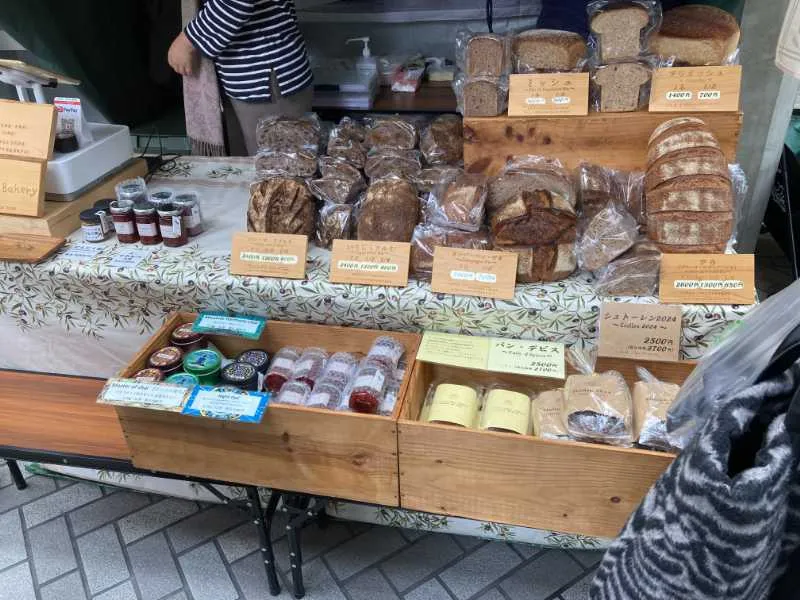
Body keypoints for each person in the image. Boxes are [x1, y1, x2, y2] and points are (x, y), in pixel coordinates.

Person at [168, 0, 313, 156]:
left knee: (280, 168)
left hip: (265, 74)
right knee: (253, 167)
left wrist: (186, 41)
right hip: (248, 74)